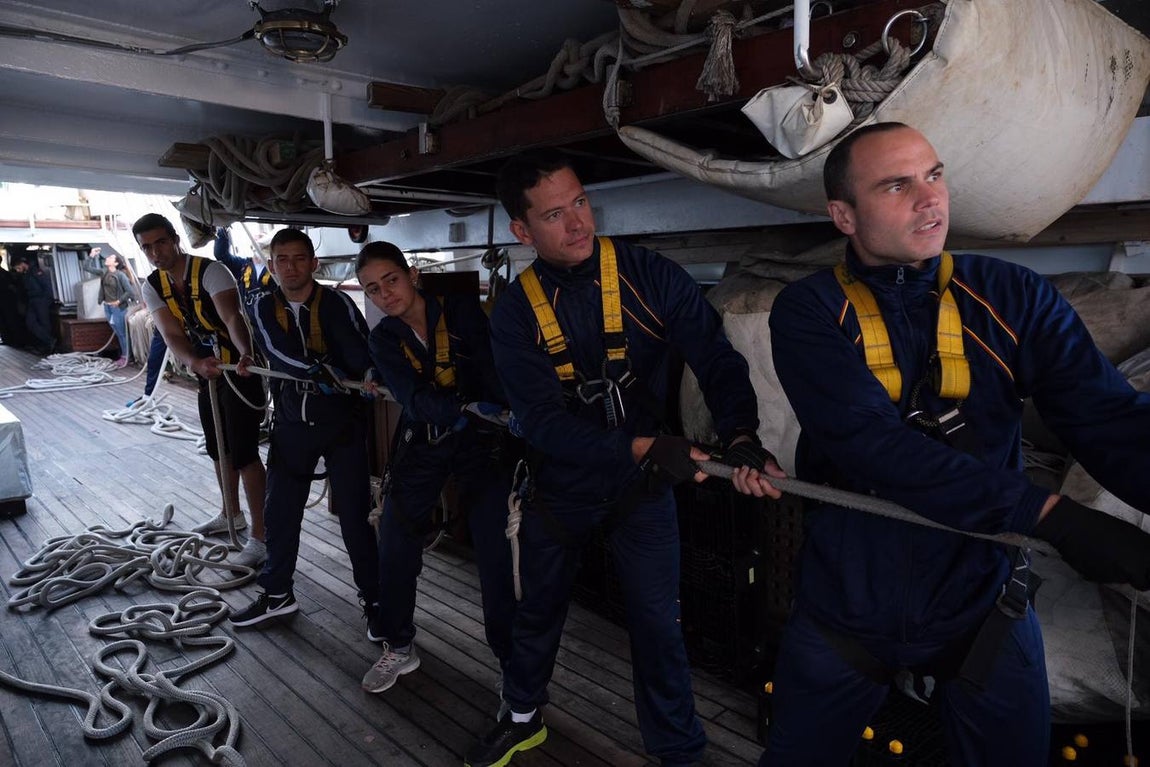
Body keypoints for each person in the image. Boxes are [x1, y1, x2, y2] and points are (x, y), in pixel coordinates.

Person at [763, 122, 1150, 766]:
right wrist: (1048, 514)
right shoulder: (810, 312)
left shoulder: (1013, 297)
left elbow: (1106, 417)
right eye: (897, 185)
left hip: (984, 605)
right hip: (848, 608)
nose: (930, 199)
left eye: (935, 175)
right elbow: (872, 446)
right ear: (844, 216)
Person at [466, 149, 784, 767]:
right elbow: (543, 424)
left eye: (581, 202)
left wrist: (741, 433)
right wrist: (642, 446)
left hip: (641, 487)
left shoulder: (649, 275)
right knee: (537, 610)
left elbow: (714, 357)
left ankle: (680, 753)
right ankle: (522, 715)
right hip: (563, 487)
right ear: (523, 232)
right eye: (555, 215)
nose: (578, 223)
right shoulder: (514, 314)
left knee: (658, 625)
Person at [355, 241, 518, 697]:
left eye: (391, 280)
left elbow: (491, 368)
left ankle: (512, 665)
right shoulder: (384, 338)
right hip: (425, 437)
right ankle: (398, 644)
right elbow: (413, 398)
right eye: (373, 289)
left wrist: (503, 407)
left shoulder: (461, 312)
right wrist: (461, 407)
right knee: (395, 536)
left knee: (495, 549)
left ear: (412, 275)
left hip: (482, 439)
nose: (385, 294)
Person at [230, 228, 381, 629]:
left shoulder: (338, 303)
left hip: (342, 423)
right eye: (282, 260)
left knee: (355, 516)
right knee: (280, 512)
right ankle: (277, 593)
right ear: (272, 265)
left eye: (299, 258)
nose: (291, 267)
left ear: (314, 263)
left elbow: (362, 348)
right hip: (293, 423)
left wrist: (368, 374)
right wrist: (319, 372)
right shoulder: (262, 306)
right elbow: (277, 353)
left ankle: (376, 601)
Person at [133, 213, 268, 567]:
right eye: (147, 247)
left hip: (239, 370)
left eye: (161, 243)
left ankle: (261, 535)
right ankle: (230, 514)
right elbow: (171, 333)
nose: (156, 252)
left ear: (175, 239)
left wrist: (245, 353)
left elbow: (232, 317)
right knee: (217, 447)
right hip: (208, 372)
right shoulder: (153, 286)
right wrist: (194, 362)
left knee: (245, 453)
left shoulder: (211, 272)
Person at [82, 249, 135, 367]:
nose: (107, 258)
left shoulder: (120, 275)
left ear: (115, 263)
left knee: (122, 333)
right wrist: (91, 255)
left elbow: (130, 292)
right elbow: (86, 267)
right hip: (107, 307)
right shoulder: (104, 272)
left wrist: (119, 301)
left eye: (110, 258)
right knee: (118, 332)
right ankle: (125, 355)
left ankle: (126, 357)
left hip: (118, 308)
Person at [213, 226, 275, 318]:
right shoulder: (242, 265)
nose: (258, 238)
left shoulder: (274, 267)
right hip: (249, 319)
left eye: (262, 237)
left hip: (275, 316)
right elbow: (221, 255)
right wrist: (223, 229)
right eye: (256, 237)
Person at [13, 255, 54, 355]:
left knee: (44, 323)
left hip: (41, 300)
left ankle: (47, 346)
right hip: (32, 301)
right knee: (30, 322)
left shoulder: (36, 271)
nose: (18, 270)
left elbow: (47, 285)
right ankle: (49, 340)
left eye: (18, 268)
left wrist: (46, 300)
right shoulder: (26, 274)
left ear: (22, 264)